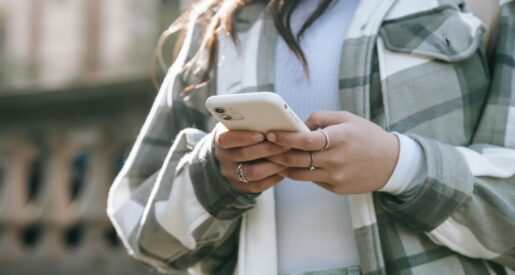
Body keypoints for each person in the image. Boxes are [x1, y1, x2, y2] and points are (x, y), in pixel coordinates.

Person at [107, 0, 515, 274]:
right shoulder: (221, 27)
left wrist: (400, 166)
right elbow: (143, 232)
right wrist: (215, 175)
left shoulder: (483, 6)